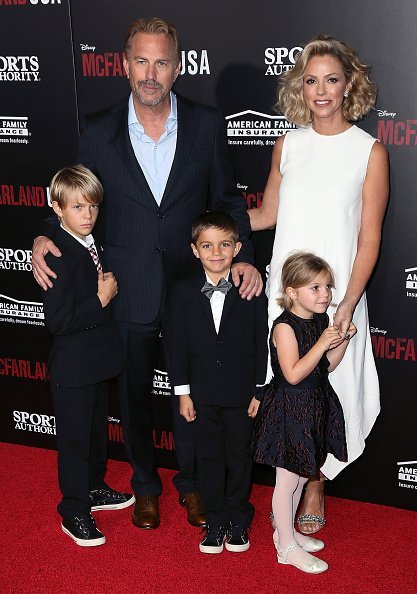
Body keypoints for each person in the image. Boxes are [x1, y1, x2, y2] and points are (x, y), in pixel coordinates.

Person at [32, 17, 262, 530]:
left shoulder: (206, 123)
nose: (151, 73)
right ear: (123, 65)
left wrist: (242, 254)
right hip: (126, 288)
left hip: (195, 291)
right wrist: (45, 231)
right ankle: (145, 488)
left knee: (195, 395)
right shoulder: (97, 128)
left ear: (177, 67)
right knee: (133, 400)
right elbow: (74, 197)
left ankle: (195, 486)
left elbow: (227, 200)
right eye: (141, 60)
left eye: (161, 61)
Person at [249, 35, 389, 534]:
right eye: (311, 81)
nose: (321, 91)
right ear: (299, 88)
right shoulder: (288, 143)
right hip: (287, 293)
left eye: (331, 79)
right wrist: (209, 222)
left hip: (337, 298)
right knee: (291, 387)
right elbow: (266, 214)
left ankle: (315, 483)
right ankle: (288, 478)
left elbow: (369, 239)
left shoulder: (368, 151)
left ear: (349, 83)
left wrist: (347, 305)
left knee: (331, 387)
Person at [42, 165, 134, 547]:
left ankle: (94, 489)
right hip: (73, 366)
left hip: (99, 361)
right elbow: (58, 321)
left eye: (93, 207)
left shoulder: (90, 241)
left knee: (96, 433)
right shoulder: (57, 254)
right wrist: (101, 299)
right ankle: (74, 511)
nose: (87, 215)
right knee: (76, 441)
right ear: (57, 208)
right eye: (78, 208)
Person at [166, 211, 268, 553]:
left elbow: (261, 343)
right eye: (207, 245)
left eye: (225, 244)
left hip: (241, 395)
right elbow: (176, 346)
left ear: (237, 247)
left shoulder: (251, 290)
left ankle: (239, 519)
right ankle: (215, 520)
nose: (216, 252)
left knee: (239, 457)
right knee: (207, 458)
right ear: (195, 250)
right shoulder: (181, 291)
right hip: (202, 394)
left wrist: (259, 388)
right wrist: (183, 393)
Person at [253, 252, 356, 573]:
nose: (325, 294)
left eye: (327, 286)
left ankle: (289, 533)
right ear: (292, 291)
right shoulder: (284, 327)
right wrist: (322, 343)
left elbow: (324, 367)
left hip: (313, 405)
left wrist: (341, 342)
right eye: (315, 287)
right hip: (289, 409)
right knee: (286, 482)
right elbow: (293, 374)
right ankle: (285, 546)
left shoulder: (320, 322)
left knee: (299, 477)